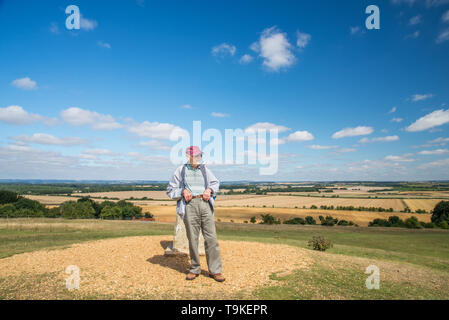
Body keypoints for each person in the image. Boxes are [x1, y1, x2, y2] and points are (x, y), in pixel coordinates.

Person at [166, 146, 225, 282]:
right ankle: (194, 269)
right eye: (196, 156)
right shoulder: (180, 170)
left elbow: (215, 183)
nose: (199, 158)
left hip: (205, 204)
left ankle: (215, 271)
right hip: (189, 205)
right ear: (188, 157)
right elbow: (170, 190)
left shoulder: (205, 169)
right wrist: (182, 191)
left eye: (200, 155)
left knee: (211, 238)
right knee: (192, 239)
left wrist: (209, 189)